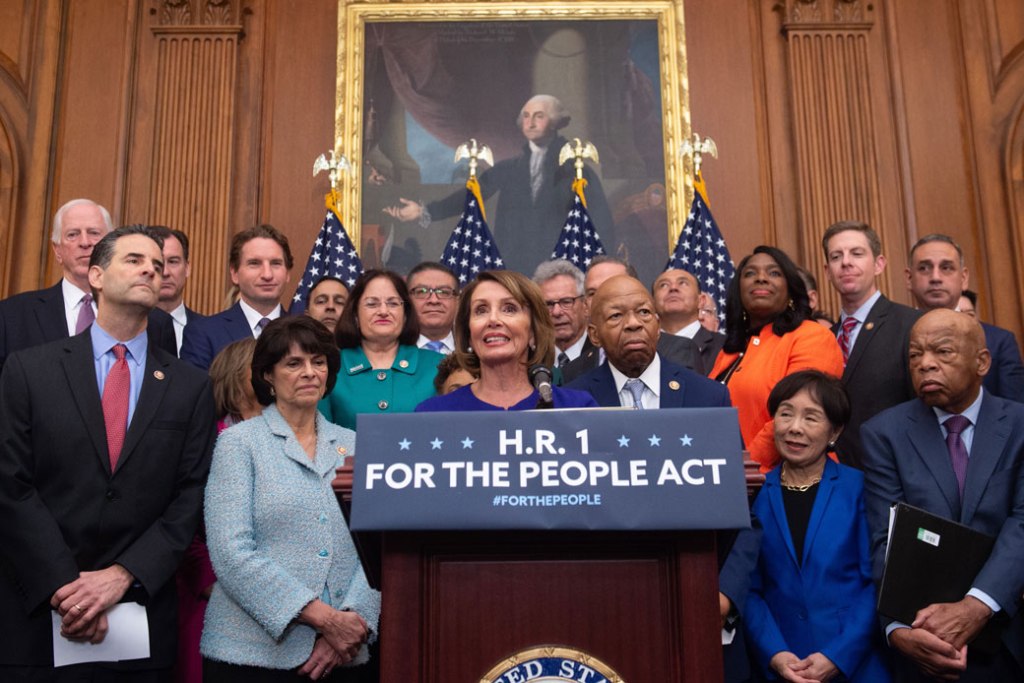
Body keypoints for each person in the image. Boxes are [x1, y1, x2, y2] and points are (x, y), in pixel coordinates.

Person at [0, 225, 216, 679]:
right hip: (39, 611)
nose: (150, 270)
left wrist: (121, 576)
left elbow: (190, 495)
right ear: (96, 276)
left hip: (139, 613)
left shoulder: (190, 386)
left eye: (158, 265)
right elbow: (11, 484)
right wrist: (68, 586)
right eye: (134, 260)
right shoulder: (29, 369)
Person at [202, 316, 379, 681]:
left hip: (345, 655)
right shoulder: (239, 444)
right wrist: (325, 619)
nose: (310, 372)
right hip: (250, 657)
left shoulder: (357, 445)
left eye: (318, 362)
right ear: (268, 375)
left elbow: (380, 549)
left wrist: (351, 624)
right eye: (293, 363)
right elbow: (230, 552)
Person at [862, 309, 1024, 681]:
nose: (925, 364)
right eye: (915, 355)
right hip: (922, 639)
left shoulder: (1019, 426)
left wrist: (977, 605)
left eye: (942, 352)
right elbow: (885, 539)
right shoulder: (884, 434)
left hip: (1008, 636)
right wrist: (898, 628)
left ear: (982, 361)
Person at [745, 370, 891, 682]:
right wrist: (775, 654)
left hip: (855, 666)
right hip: (783, 666)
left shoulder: (860, 490)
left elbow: (876, 583)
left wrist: (837, 656)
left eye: (811, 418)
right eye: (786, 414)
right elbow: (750, 589)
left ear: (834, 431)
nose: (794, 428)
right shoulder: (753, 495)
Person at [383, 95, 613, 274]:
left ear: (555, 122)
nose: (530, 122)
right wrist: (425, 211)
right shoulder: (509, 168)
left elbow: (600, 218)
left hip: (561, 266)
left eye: (539, 116)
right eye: (526, 115)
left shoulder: (576, 168)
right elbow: (472, 195)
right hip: (515, 266)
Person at [0, 198, 177, 372]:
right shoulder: (12, 315)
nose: (85, 243)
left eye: (94, 233)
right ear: (57, 250)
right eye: (73, 234)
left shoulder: (157, 323)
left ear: (111, 245)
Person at [710, 246, 844, 472]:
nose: (761, 278)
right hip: (728, 477)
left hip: (784, 480)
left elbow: (796, 416)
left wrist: (742, 468)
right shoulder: (731, 350)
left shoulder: (812, 336)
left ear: (791, 290)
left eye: (774, 273)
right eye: (750, 273)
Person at [175, 337, 260, 683]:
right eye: (265, 366)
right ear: (237, 376)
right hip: (214, 600)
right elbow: (183, 519)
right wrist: (213, 582)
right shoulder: (206, 440)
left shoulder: (296, 437)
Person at [416, 270, 598, 411]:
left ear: (533, 331)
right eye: (481, 310)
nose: (493, 320)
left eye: (509, 309)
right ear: (469, 334)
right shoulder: (434, 414)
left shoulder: (577, 408)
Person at [821, 220, 921, 469]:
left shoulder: (911, 324)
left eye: (857, 253)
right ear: (827, 271)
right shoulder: (824, 338)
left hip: (895, 474)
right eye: (836, 256)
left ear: (879, 264)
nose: (846, 262)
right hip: (836, 480)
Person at [568, 274, 730, 409]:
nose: (633, 323)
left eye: (644, 312)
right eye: (616, 315)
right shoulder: (572, 402)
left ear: (657, 326)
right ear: (595, 335)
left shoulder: (710, 396)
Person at [905, 233, 1024, 402]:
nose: (935, 278)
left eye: (946, 267)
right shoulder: (891, 336)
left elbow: (1015, 415)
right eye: (924, 268)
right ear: (909, 278)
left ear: (964, 278)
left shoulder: (999, 341)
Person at [319, 269, 442, 430]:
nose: (383, 311)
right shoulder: (329, 367)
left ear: (405, 315)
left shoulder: (438, 366)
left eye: (392, 303)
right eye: (372, 304)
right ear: (355, 314)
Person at [561, 255, 703, 383]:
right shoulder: (572, 372)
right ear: (585, 305)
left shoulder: (678, 351)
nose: (603, 297)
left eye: (614, 285)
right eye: (593, 293)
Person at [181, 224, 293, 371]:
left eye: (276, 263)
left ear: (288, 273)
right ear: (234, 273)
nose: (267, 274)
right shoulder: (204, 333)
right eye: (254, 263)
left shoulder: (306, 332)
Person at [652, 268, 724, 374]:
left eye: (683, 283)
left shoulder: (724, 346)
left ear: (701, 301)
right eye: (663, 285)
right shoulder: (641, 348)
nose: (673, 288)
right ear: (652, 303)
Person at [150, 226, 203, 355]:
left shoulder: (208, 330)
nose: (165, 272)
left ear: (187, 268)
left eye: (173, 262)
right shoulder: (128, 329)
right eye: (157, 263)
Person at [533, 260, 588, 369]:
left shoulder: (602, 355)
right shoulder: (531, 361)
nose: (556, 312)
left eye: (566, 302)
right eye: (548, 304)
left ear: (584, 305)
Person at [407, 262, 458, 354]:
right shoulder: (391, 351)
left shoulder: (474, 350)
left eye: (444, 292)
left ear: (457, 301)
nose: (434, 300)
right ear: (407, 300)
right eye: (422, 292)